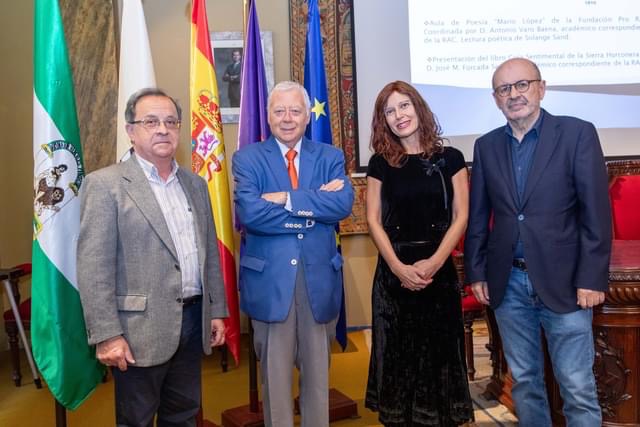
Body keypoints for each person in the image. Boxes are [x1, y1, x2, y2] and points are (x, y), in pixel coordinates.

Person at [464, 58, 612, 426]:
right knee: (526, 383)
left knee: (576, 386)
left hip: (565, 283)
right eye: (504, 89)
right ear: (496, 99)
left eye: (522, 85)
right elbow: (479, 217)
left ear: (541, 88)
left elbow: (596, 212)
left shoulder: (577, 134)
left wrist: (592, 278)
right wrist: (477, 272)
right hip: (508, 284)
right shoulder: (486, 147)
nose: (514, 95)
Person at [77, 88, 228, 425]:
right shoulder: (105, 185)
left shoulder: (195, 184)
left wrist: (216, 311)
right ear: (131, 131)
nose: (163, 129)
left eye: (170, 122)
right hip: (136, 332)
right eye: (151, 122)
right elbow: (93, 268)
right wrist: (107, 335)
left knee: (185, 416)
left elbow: (208, 256)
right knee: (137, 420)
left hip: (191, 322)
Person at [232, 80, 354, 427]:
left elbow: (341, 204)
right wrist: (315, 206)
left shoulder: (330, 156)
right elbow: (251, 214)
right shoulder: (247, 158)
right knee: (276, 383)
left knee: (319, 382)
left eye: (295, 110)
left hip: (318, 280)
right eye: (279, 110)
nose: (287, 118)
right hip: (271, 284)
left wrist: (285, 199)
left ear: (306, 116)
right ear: (268, 115)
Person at [365, 81, 473, 426]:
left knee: (439, 364)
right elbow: (373, 220)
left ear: (419, 108)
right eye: (390, 110)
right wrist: (398, 268)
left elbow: (461, 216)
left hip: (437, 276)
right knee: (399, 367)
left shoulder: (451, 159)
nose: (399, 115)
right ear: (384, 120)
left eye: (404, 106)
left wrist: (435, 263)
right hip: (393, 282)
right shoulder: (380, 163)